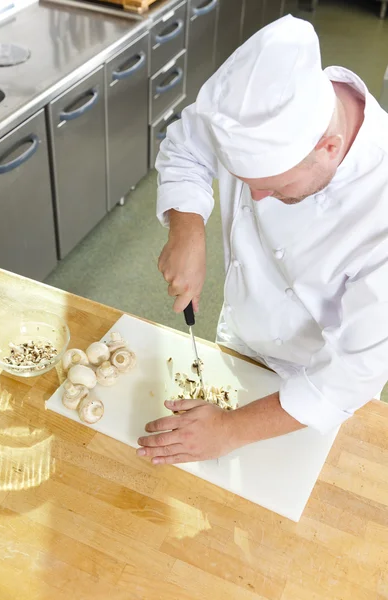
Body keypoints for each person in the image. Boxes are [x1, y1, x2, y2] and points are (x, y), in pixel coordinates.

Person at [136, 15, 388, 465]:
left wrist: (232, 429)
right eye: (244, 181)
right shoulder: (254, 102)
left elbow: (354, 372)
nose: (255, 200)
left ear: (328, 148)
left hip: (310, 375)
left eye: (273, 187)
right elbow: (188, 145)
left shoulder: (380, 207)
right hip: (242, 330)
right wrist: (187, 227)